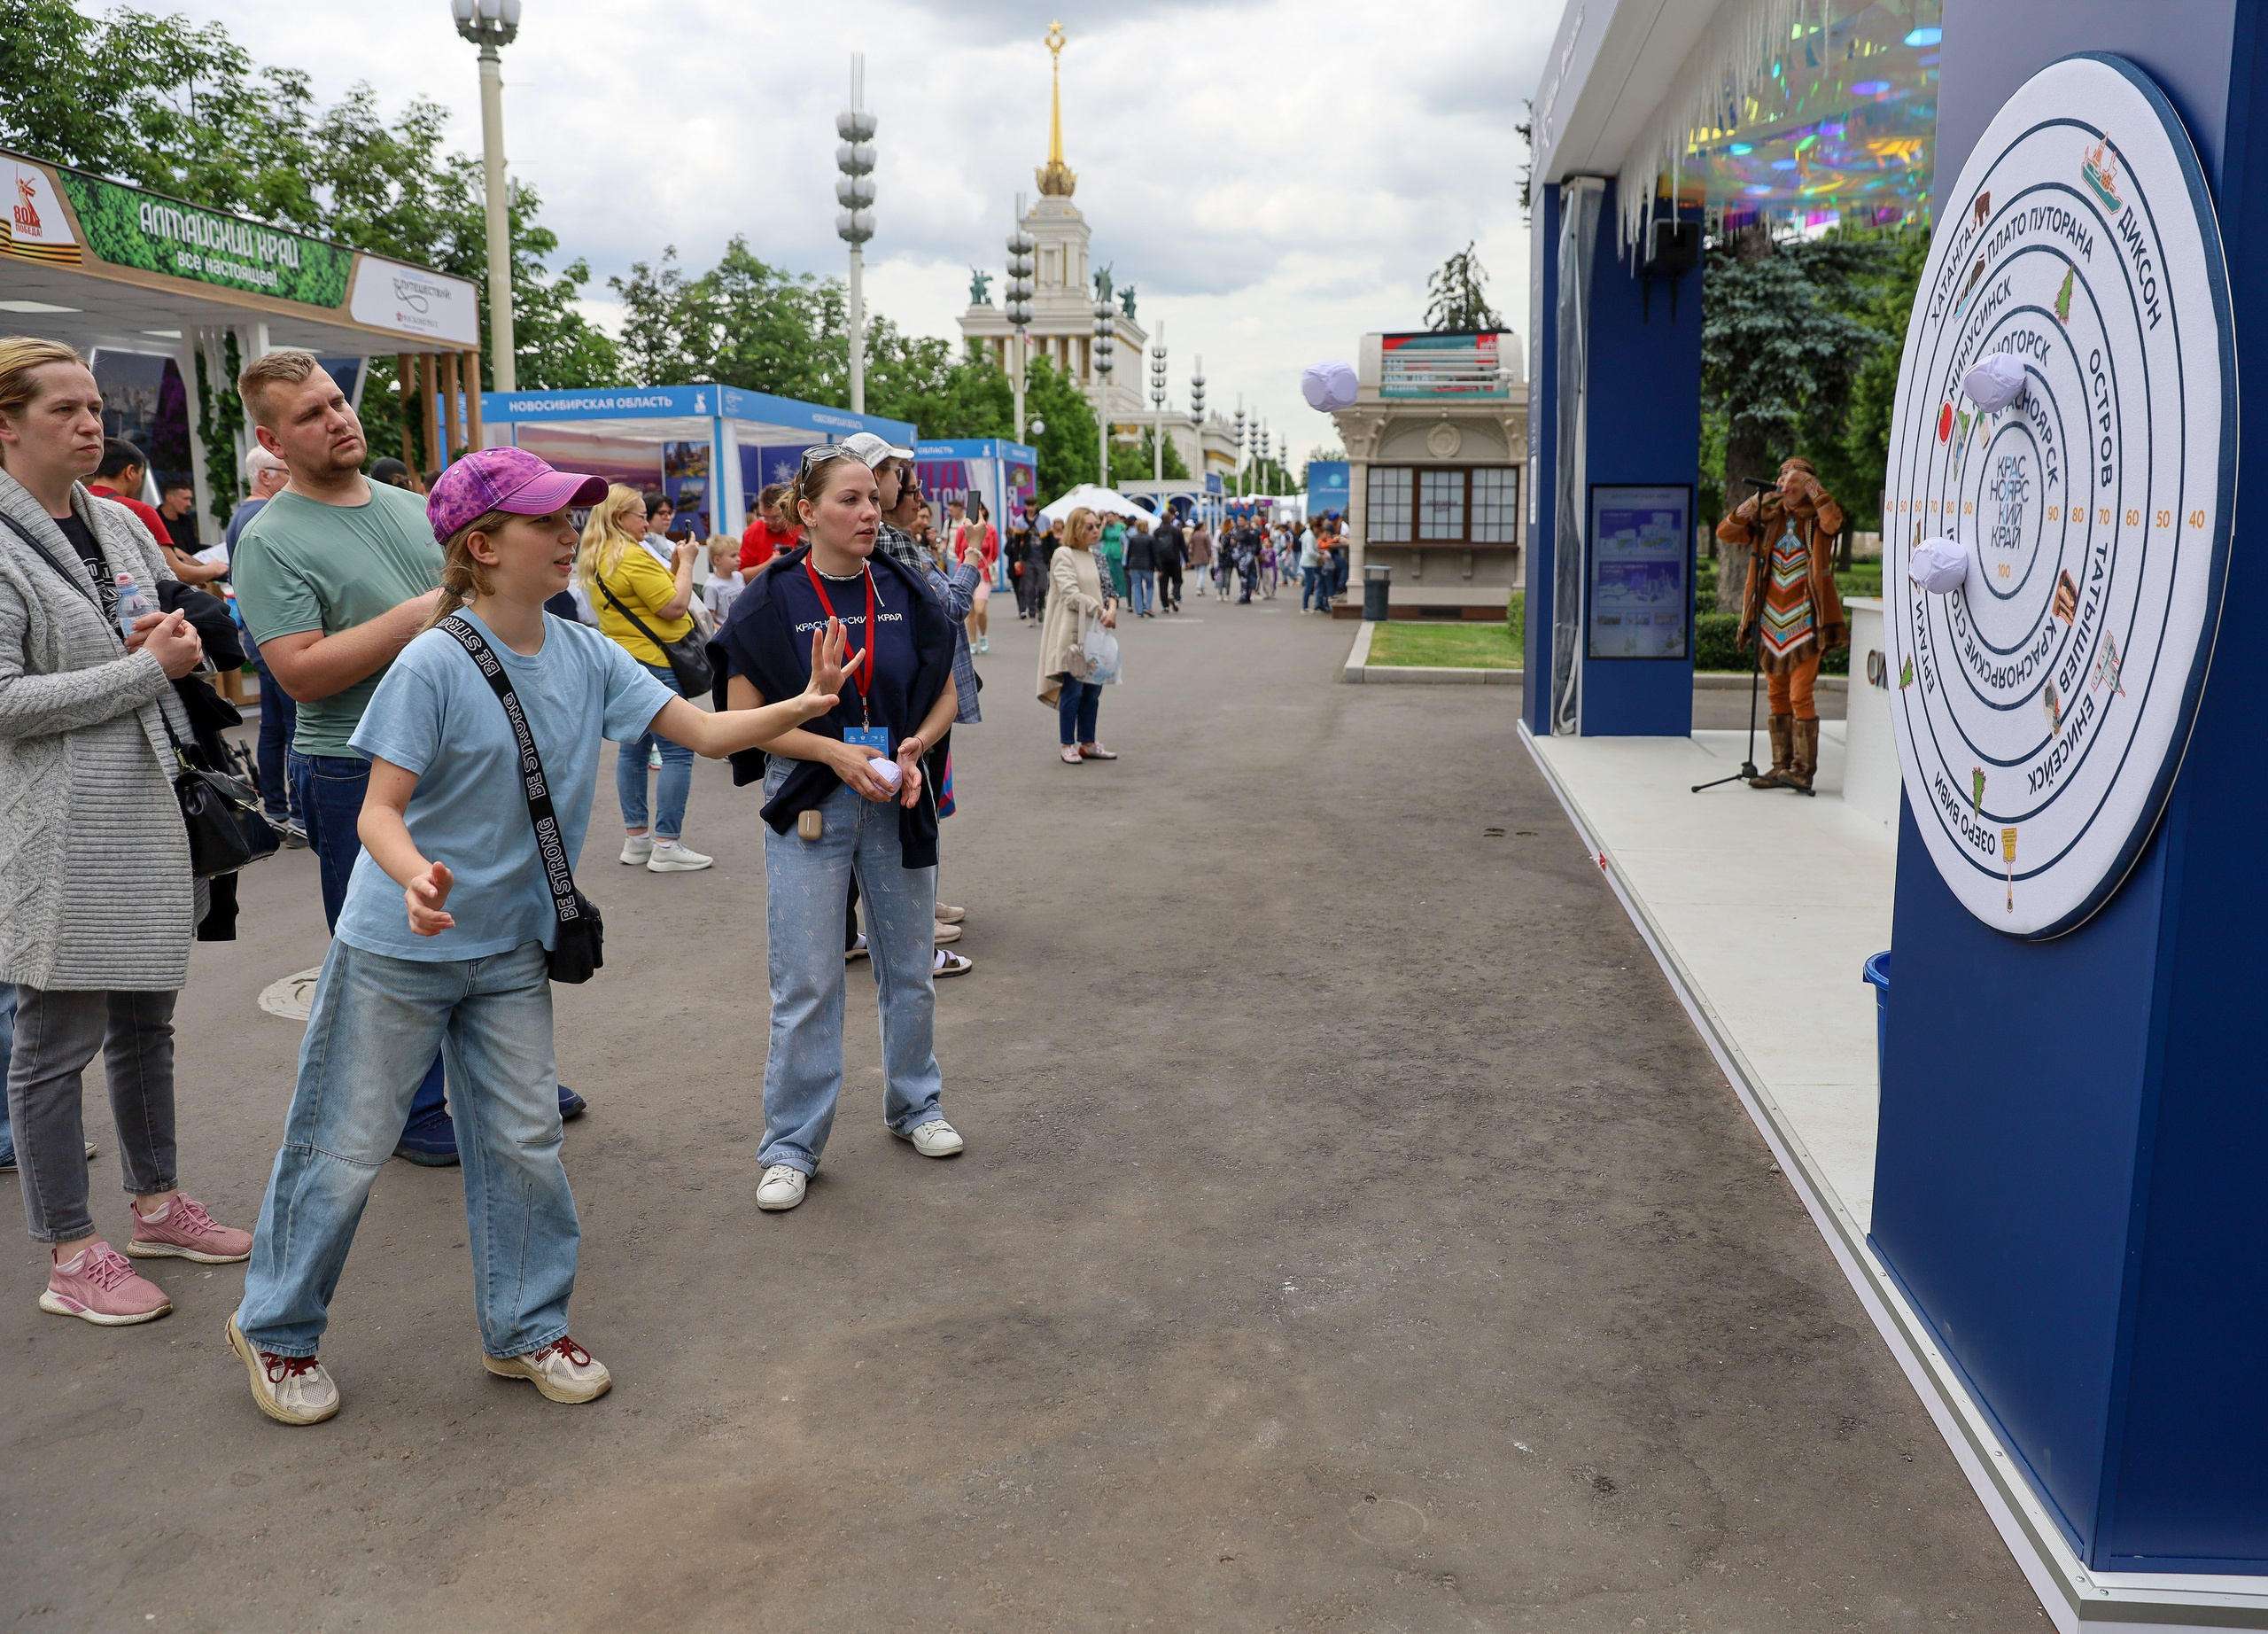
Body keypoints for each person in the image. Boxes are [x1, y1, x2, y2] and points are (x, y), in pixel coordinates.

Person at [228, 447, 851, 1423]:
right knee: (343, 1144)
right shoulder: (432, 659)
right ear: (481, 546)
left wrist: (805, 707)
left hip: (513, 947)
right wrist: (414, 877)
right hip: (399, 948)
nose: (571, 534)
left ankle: (525, 1326)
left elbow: (704, 731)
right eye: (547, 521)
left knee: (523, 1140)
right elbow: (376, 812)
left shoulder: (585, 650)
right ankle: (277, 1328)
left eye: (574, 517)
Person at [231, 348, 587, 1165]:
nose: (337, 419)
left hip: (463, 752)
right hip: (352, 762)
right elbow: (296, 672)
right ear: (272, 441)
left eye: (336, 403)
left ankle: (499, 1081)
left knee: (487, 920)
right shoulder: (269, 536)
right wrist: (425, 612)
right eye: (312, 416)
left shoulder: (406, 503)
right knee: (395, 943)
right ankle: (416, 1108)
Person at [0, 337, 253, 1326]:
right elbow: (6, 699)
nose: (91, 421)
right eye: (64, 407)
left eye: (95, 405)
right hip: (58, 829)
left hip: (150, 810)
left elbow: (154, 634)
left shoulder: (116, 523)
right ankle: (71, 1248)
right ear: (7, 423)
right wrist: (143, 670)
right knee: (52, 1043)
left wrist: (171, 650)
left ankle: (156, 1203)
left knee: (147, 1026)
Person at [716, 444, 965, 1213]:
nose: (869, 513)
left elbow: (948, 690)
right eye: (850, 500)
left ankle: (915, 1104)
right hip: (812, 794)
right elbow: (738, 719)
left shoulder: (907, 587)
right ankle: (791, 1145)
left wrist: (918, 743)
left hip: (897, 786)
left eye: (873, 499)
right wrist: (829, 747)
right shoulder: (769, 600)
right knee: (809, 979)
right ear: (807, 513)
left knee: (909, 968)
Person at [579, 484, 711, 873]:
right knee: (677, 752)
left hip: (624, 661)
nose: (645, 521)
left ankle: (637, 840)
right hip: (655, 662)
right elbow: (673, 605)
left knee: (633, 750)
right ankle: (667, 844)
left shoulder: (599, 555)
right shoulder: (632, 556)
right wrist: (686, 561)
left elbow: (651, 597)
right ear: (621, 518)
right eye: (640, 514)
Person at [1721, 455, 1846, 792]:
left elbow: (1834, 522)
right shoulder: (1770, 520)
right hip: (1770, 622)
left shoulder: (1817, 522)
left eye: (1795, 481)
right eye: (1783, 479)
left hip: (1807, 622)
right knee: (1776, 695)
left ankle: (1803, 771)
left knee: (1799, 694)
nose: (1786, 485)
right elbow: (1726, 532)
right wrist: (1756, 501)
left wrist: (1813, 487)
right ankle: (1781, 767)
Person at [1038, 507, 1118, 765]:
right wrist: (1100, 609)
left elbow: (1108, 589)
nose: (1096, 530)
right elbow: (1070, 594)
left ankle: (1088, 742)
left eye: (1097, 526)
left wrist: (1108, 610)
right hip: (1074, 633)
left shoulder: (1095, 555)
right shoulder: (1064, 554)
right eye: (1090, 526)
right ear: (1076, 529)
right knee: (1073, 690)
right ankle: (1067, 744)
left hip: (1095, 631)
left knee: (1093, 692)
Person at [90, 439, 225, 587]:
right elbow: (177, 573)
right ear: (130, 472)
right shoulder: (139, 511)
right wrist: (213, 569)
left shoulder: (73, 503)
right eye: (141, 475)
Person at [740, 483, 796, 574]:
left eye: (776, 518)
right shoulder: (752, 532)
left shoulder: (802, 527)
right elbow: (743, 576)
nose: (770, 523)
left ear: (787, 510)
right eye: (764, 517)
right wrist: (770, 564)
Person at [703, 535, 746, 627]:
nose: (738, 559)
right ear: (717, 560)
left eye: (738, 554)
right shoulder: (712, 586)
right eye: (733, 556)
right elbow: (709, 620)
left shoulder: (739, 577)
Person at [1123, 515, 1157, 617]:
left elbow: (1129, 553)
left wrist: (1127, 566)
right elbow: (1154, 553)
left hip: (1134, 564)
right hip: (1148, 565)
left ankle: (1139, 610)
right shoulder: (1151, 539)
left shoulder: (1133, 539)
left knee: (1136, 587)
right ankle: (1148, 606)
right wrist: (1157, 565)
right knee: (1150, 586)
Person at [156, 477, 200, 553]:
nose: (189, 504)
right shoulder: (155, 520)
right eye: (185, 499)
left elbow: (193, 548)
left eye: (190, 499)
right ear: (169, 498)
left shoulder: (186, 521)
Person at [1155, 510, 1185, 613]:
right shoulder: (1177, 531)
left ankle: (1165, 606)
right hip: (1175, 560)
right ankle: (1174, 594)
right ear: (1171, 519)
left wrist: (1155, 563)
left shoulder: (1157, 532)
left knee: (1163, 584)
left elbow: (1154, 548)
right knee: (1177, 580)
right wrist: (1187, 560)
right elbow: (1183, 547)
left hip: (1161, 562)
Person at [1299, 517, 1328, 612]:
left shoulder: (1308, 535)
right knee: (1309, 584)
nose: (1319, 531)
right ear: (1315, 527)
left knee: (1318, 579)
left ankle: (1317, 602)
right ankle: (1305, 606)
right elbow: (1310, 551)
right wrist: (1320, 556)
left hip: (1309, 562)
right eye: (1319, 528)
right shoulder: (1310, 537)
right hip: (1309, 563)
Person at [1098, 513, 1128, 601]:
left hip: (1117, 551)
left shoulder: (1121, 526)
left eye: (1110, 517)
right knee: (1109, 574)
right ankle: (1111, 594)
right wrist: (1102, 526)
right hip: (1107, 551)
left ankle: (1120, 593)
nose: (1109, 519)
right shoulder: (1106, 528)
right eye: (1107, 517)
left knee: (1119, 574)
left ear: (1115, 517)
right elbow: (1099, 538)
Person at [1187, 516, 1213, 596]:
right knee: (1202, 571)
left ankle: (1201, 586)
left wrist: (1189, 553)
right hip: (1204, 555)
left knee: (1199, 571)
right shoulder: (1205, 535)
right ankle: (1199, 587)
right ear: (1201, 527)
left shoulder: (1194, 535)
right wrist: (1210, 555)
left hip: (1195, 555)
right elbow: (1208, 546)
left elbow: (1188, 544)